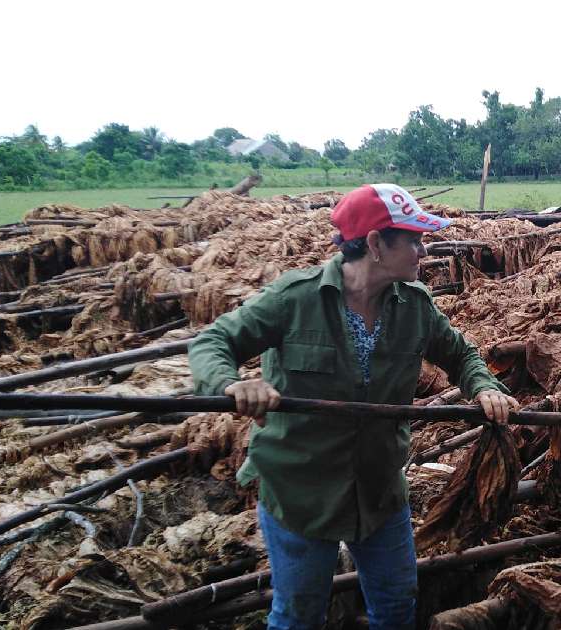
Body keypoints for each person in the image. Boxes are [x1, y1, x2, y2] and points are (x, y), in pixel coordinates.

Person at [188, 183, 518, 629]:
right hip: (301, 492)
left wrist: (484, 387)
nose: (423, 250)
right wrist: (230, 385)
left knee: (398, 605)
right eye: (413, 240)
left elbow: (461, 354)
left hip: (378, 488)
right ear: (377, 244)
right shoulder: (295, 299)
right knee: (298, 616)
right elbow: (214, 341)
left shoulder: (415, 307)